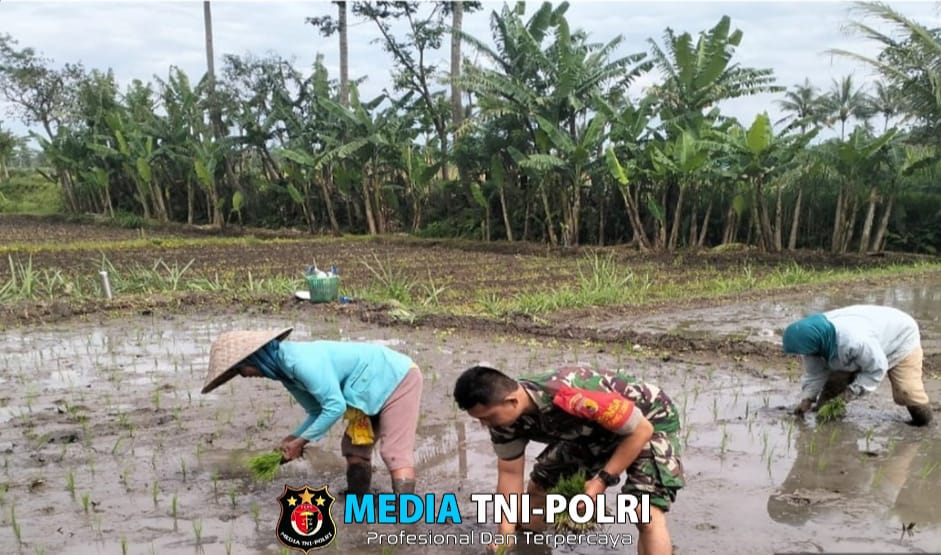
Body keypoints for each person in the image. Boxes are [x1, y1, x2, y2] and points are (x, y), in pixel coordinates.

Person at [453, 365, 684, 555]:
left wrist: (600, 482)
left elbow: (641, 430)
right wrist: (504, 536)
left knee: (644, 512)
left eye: (488, 417)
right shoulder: (502, 423)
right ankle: (531, 548)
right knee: (538, 488)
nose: (485, 425)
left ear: (512, 401)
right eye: (480, 420)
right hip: (590, 430)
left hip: (648, 420)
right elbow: (510, 474)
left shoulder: (571, 395)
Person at [201, 327, 423, 495]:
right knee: (353, 448)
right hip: (367, 389)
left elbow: (334, 407)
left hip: (398, 378)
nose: (246, 375)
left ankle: (406, 514)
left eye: (241, 370)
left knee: (394, 452)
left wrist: (300, 443)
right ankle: (359, 498)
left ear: (254, 358)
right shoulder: (285, 373)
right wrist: (294, 437)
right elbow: (317, 410)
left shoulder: (301, 363)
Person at [781, 305, 933, 426]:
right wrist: (807, 399)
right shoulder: (814, 341)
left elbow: (876, 370)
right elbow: (815, 374)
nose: (807, 355)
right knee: (828, 400)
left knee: (907, 392)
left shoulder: (854, 340)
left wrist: (849, 394)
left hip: (900, 339)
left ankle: (925, 423)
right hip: (867, 340)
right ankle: (835, 437)